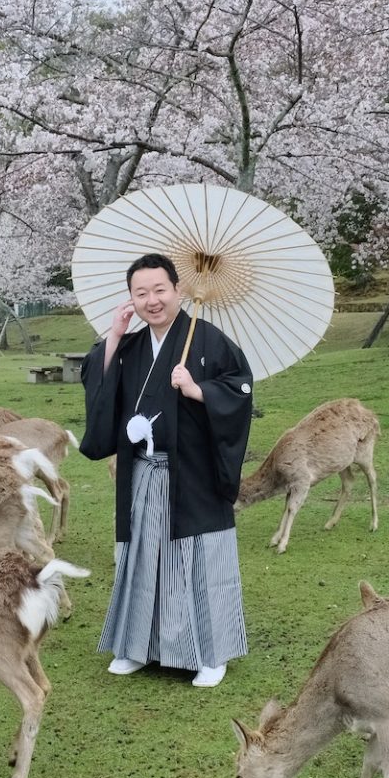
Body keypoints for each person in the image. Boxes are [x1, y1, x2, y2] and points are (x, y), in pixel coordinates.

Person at [80, 252, 254, 687]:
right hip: (143, 474)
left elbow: (241, 390)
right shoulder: (132, 345)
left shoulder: (211, 341)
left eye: (160, 290)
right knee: (143, 558)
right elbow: (98, 387)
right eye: (141, 293)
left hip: (193, 474)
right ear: (131, 299)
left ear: (177, 289)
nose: (152, 300)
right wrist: (115, 338)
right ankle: (139, 646)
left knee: (196, 559)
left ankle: (211, 653)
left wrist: (199, 390)